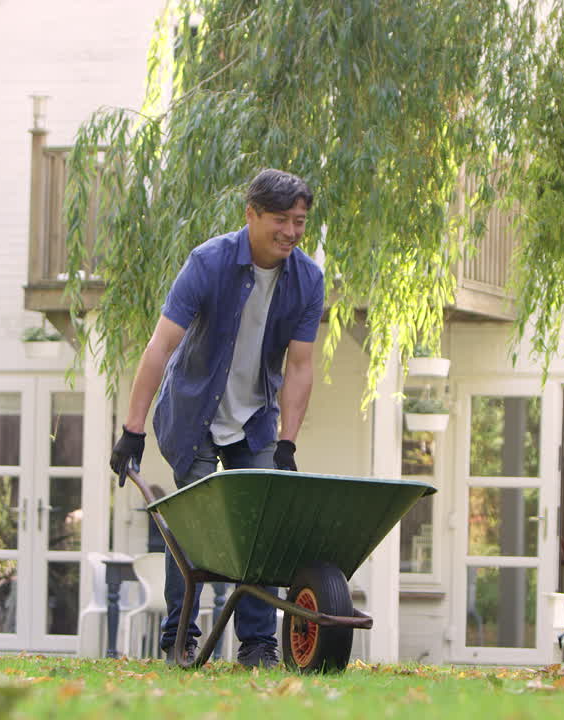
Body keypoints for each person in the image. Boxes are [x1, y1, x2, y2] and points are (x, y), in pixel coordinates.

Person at [109, 168, 324, 668]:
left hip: (254, 419)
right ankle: (179, 636)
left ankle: (257, 644)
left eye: (299, 221)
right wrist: (132, 431)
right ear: (251, 214)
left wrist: (286, 443)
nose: (291, 231)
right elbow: (161, 346)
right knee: (196, 523)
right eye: (280, 219)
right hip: (193, 413)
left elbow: (301, 366)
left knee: (258, 524)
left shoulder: (307, 279)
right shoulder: (208, 263)